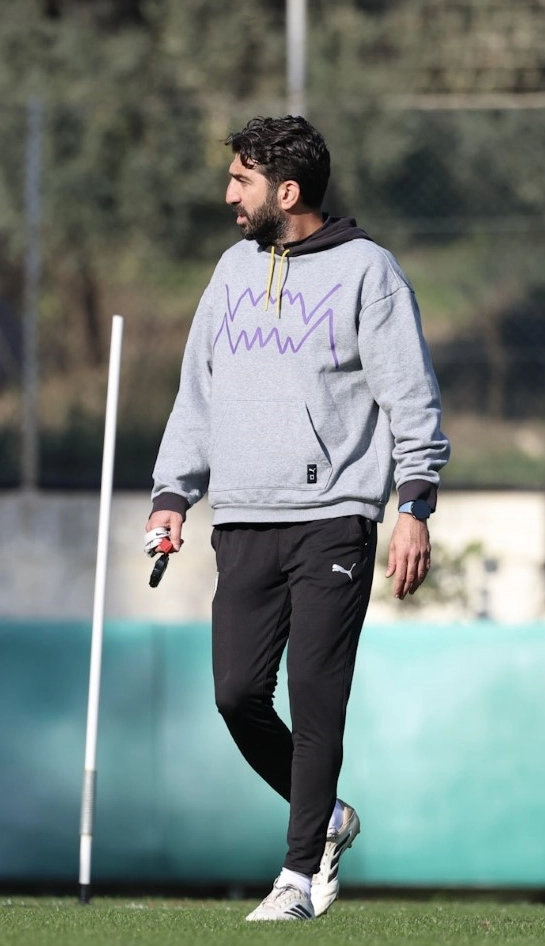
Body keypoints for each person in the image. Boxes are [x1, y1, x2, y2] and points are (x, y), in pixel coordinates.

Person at [145, 115, 450, 921]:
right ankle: (328, 819)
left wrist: (413, 505)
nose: (227, 194)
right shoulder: (230, 270)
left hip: (334, 517)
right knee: (236, 694)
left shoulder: (367, 272)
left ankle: (298, 877)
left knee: (316, 695)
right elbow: (197, 395)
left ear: (286, 191)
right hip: (243, 516)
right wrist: (172, 495)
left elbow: (409, 396)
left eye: (240, 179)